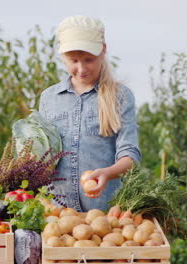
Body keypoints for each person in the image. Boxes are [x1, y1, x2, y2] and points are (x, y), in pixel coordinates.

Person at [39, 15, 141, 212]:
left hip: (104, 215)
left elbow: (130, 156)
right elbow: (43, 155)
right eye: (73, 60)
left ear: (103, 50)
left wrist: (107, 173)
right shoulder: (49, 98)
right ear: (62, 56)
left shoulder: (120, 97)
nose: (81, 68)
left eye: (89, 60)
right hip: (57, 215)